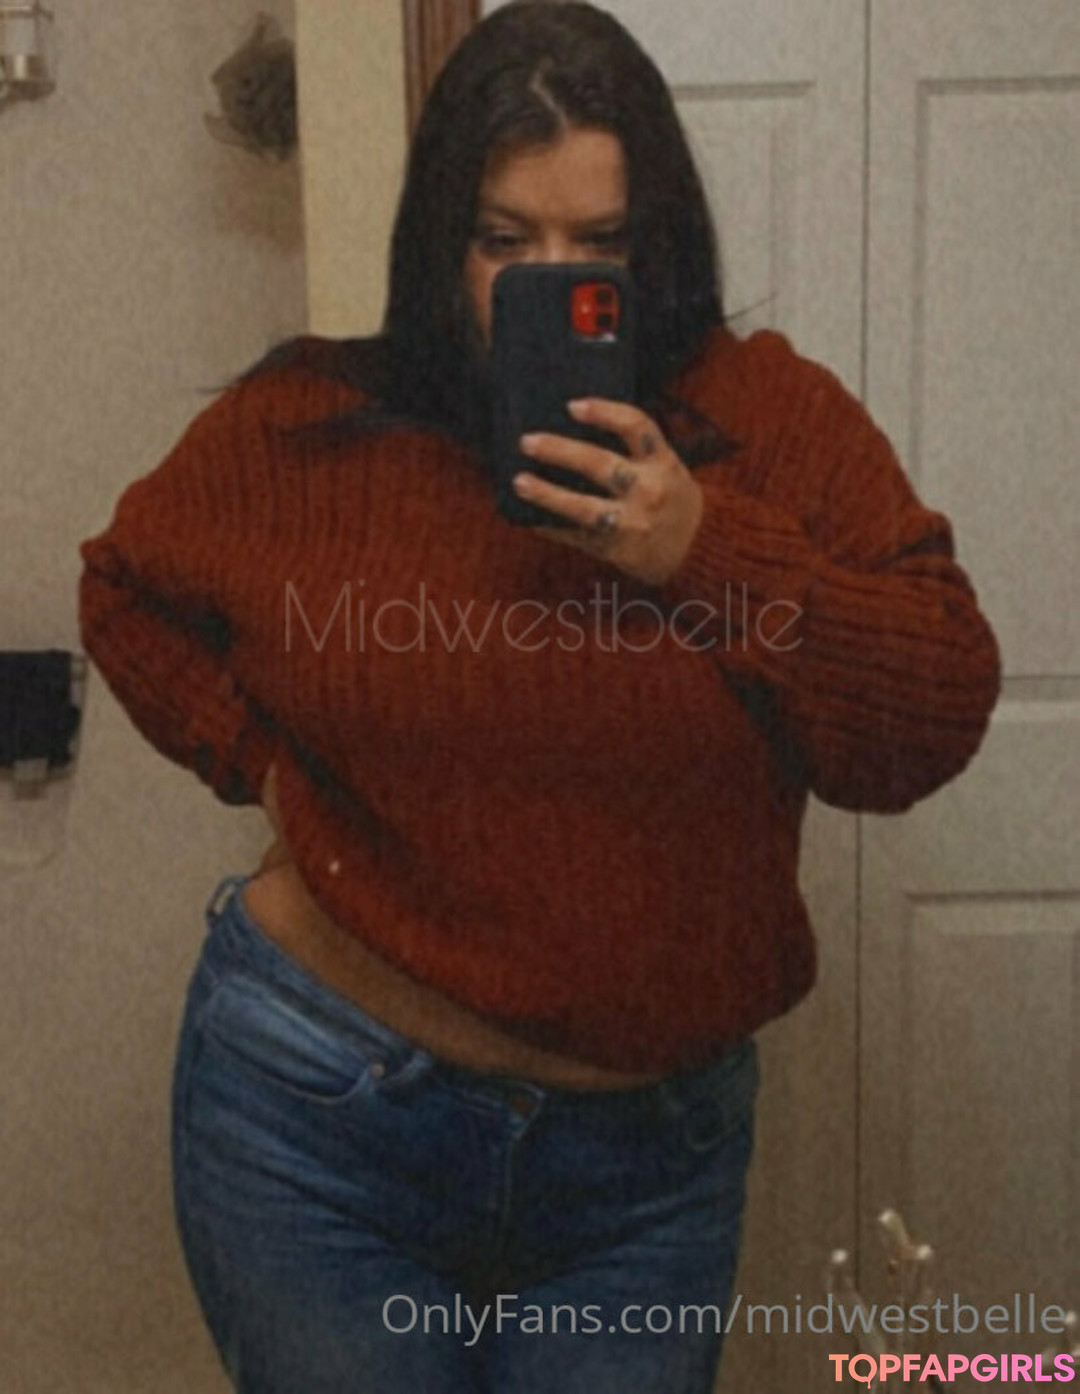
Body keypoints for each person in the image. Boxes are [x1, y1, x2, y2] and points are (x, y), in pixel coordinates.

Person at [76, 2, 1001, 1391]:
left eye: (600, 243)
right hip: (316, 1119)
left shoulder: (770, 424)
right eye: (505, 241)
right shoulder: (314, 427)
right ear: (441, 238)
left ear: (658, 242)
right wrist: (258, 759)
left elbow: (931, 711)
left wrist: (701, 548)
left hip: (643, 1178)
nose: (550, 282)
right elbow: (124, 584)